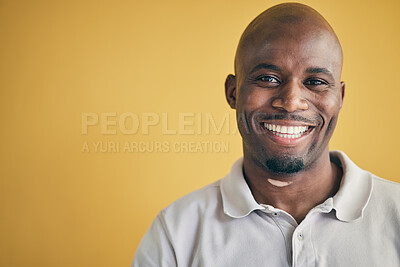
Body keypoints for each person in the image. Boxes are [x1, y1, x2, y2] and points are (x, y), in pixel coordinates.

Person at [132, 3, 400, 266]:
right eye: (268, 78)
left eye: (315, 82)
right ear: (233, 92)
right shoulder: (176, 234)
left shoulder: (395, 214)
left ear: (339, 98)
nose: (292, 101)